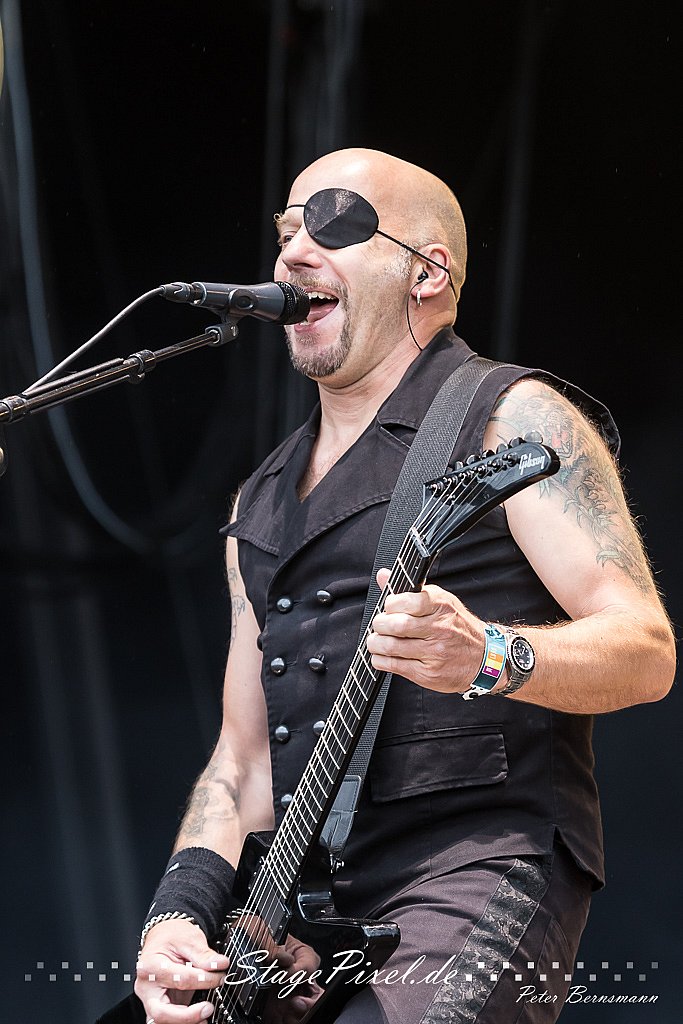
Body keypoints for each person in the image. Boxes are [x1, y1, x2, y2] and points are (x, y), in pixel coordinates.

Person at [134, 149, 675, 1024]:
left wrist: (488, 655)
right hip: (304, 914)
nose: (292, 253)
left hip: (472, 867)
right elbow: (242, 759)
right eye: (286, 231)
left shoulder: (512, 417)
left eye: (334, 225)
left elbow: (645, 651)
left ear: (427, 272)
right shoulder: (259, 499)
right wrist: (178, 915)